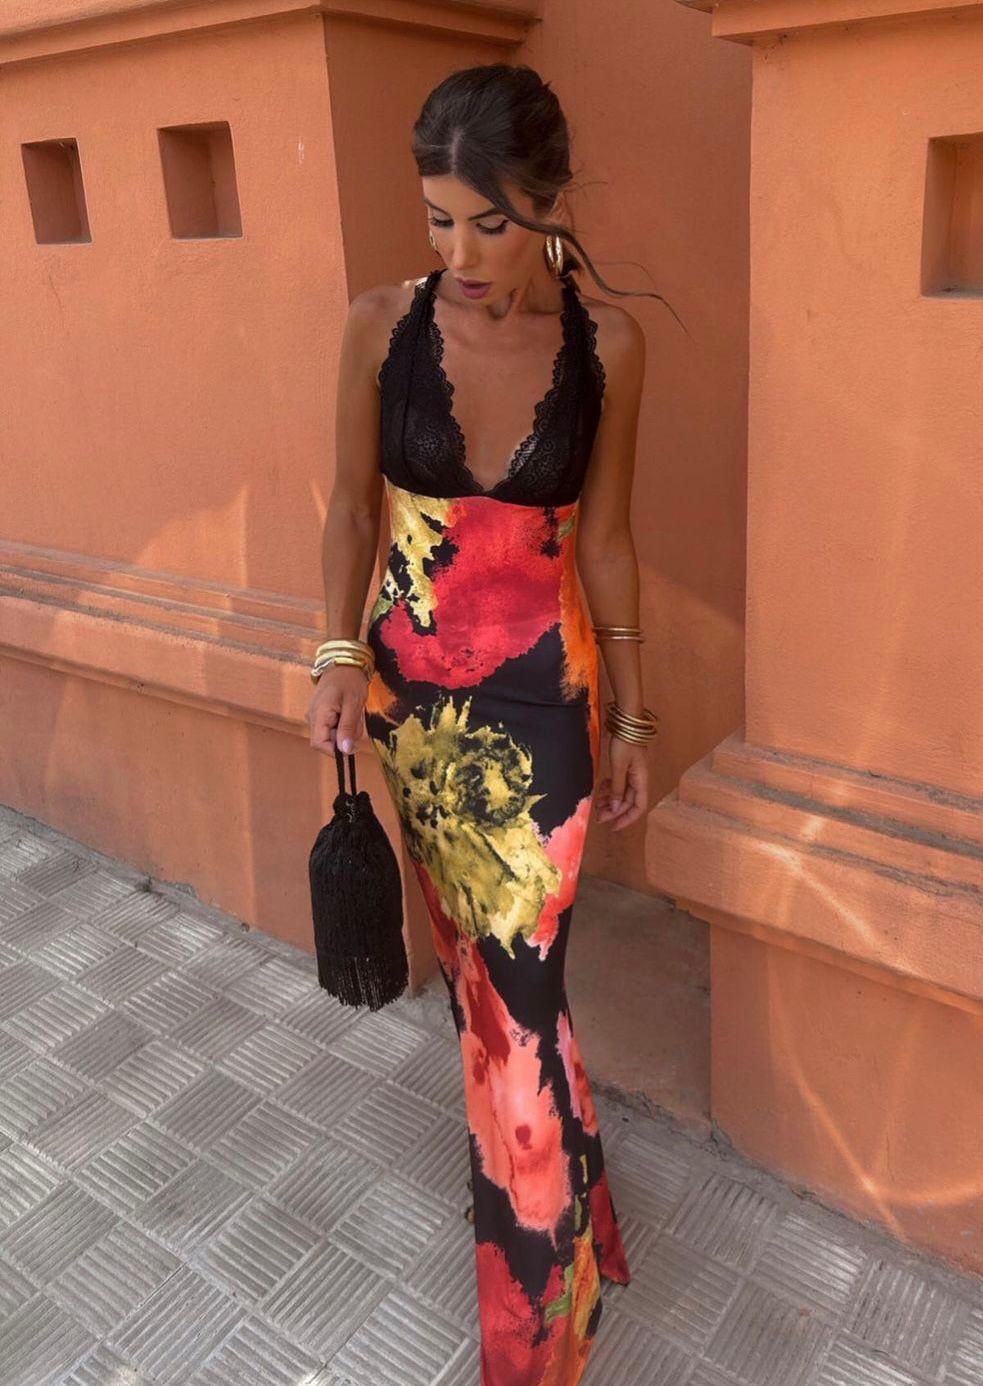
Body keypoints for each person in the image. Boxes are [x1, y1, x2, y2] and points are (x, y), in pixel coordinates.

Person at [307, 60, 676, 1386]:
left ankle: (535, 1343)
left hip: (546, 714)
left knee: (518, 998)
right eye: (438, 220)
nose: (460, 254)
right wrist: (336, 652)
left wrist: (634, 720)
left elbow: (610, 542)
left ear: (551, 201)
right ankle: (584, 1229)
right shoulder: (379, 326)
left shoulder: (608, 346)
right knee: (495, 988)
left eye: (491, 222)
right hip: (412, 710)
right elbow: (354, 507)